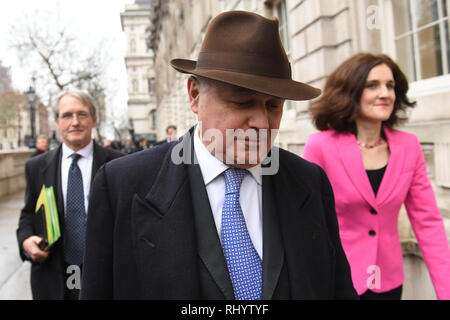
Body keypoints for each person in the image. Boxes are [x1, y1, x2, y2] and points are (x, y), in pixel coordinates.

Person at [80, 11, 357, 300]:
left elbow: (338, 288)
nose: (262, 123)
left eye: (274, 106)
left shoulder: (308, 181)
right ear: (195, 96)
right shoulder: (122, 185)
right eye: (241, 102)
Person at [303, 53, 450, 300]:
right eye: (372, 85)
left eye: (390, 86)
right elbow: (305, 221)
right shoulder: (320, 146)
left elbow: (428, 224)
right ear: (350, 91)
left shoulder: (409, 147)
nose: (385, 93)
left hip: (388, 284)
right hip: (336, 281)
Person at [16, 89, 123, 300]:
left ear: (94, 119)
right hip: (52, 277)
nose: (75, 122)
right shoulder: (36, 167)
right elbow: (29, 213)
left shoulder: (119, 164)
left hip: (106, 278)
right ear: (57, 123)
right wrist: (26, 240)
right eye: (66, 115)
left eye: (82, 114)